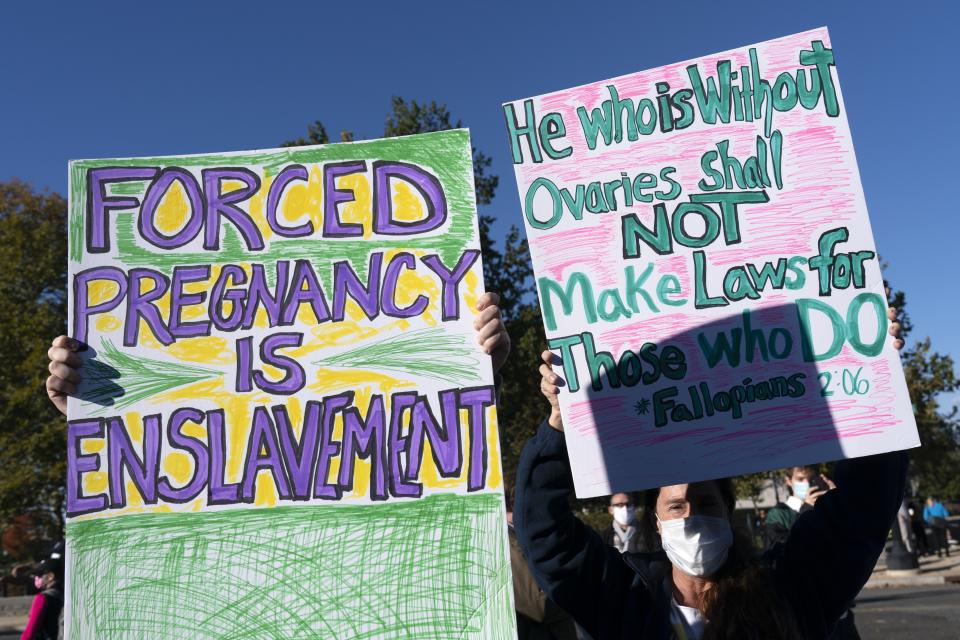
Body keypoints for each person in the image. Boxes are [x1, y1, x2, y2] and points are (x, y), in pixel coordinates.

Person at [516, 310, 906, 639]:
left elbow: (862, 510)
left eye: (704, 503)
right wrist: (559, 429)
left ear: (727, 510)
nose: (691, 519)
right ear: (656, 518)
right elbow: (547, 537)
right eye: (676, 506)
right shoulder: (623, 598)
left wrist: (873, 378)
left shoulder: (787, 589)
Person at [763, 465, 834, 552]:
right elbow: (777, 549)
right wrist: (806, 509)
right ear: (788, 480)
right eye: (800, 479)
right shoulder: (777, 514)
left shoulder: (825, 508)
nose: (806, 483)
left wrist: (837, 500)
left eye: (811, 479)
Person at [21, 553, 63, 640]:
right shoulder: (66, 596)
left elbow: (30, 631)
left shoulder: (43, 598)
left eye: (40, 575)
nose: (36, 578)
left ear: (50, 576)